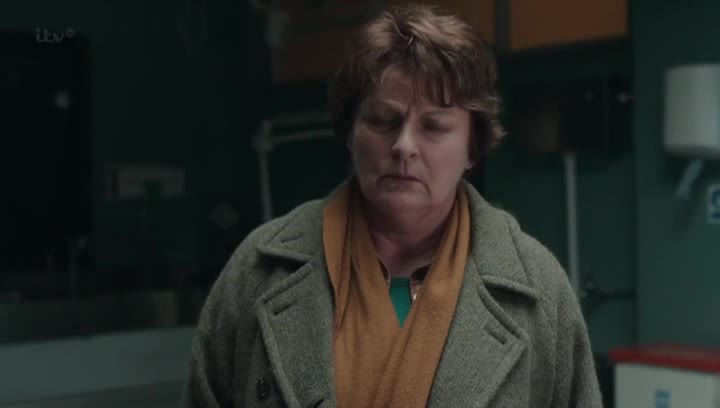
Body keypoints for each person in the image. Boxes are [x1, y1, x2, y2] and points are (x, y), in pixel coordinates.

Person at [182, 4, 602, 408]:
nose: (403, 146)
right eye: (382, 121)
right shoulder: (258, 270)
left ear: (473, 147)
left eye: (433, 126)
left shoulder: (538, 287)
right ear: (350, 133)